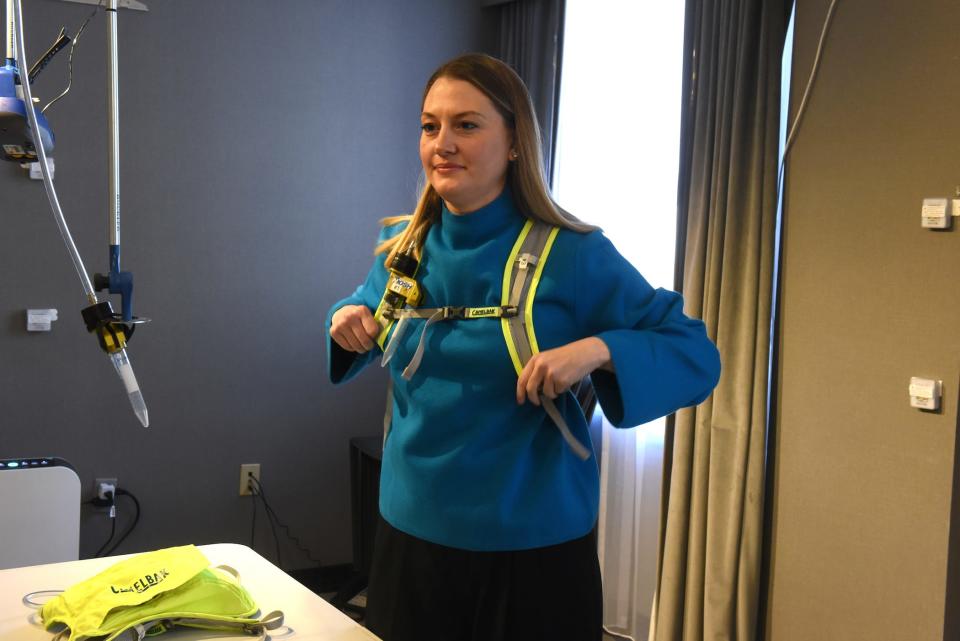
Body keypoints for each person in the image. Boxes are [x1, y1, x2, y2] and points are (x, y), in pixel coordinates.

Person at [327, 53, 720, 641]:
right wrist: (345, 318)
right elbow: (362, 306)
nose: (442, 143)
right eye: (429, 126)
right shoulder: (401, 244)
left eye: (467, 125)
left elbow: (693, 352)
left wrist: (597, 349)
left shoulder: (575, 255)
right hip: (412, 537)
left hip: (533, 552)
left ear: (514, 142)